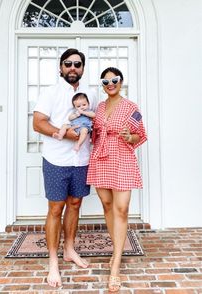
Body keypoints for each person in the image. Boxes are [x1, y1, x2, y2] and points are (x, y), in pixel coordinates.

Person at [33, 48, 96, 288]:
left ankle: (69, 250)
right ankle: (53, 261)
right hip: (56, 159)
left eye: (77, 64)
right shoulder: (49, 93)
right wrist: (71, 135)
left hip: (81, 160)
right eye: (67, 63)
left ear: (82, 68)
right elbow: (38, 123)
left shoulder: (91, 94)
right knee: (55, 208)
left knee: (75, 204)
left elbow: (95, 124)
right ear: (60, 67)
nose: (72, 68)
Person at [87, 67, 147, 292]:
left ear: (121, 82)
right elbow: (92, 130)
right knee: (107, 205)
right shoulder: (100, 107)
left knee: (121, 209)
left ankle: (116, 266)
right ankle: (116, 250)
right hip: (101, 157)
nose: (110, 83)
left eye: (114, 79)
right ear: (102, 84)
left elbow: (140, 134)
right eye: (105, 80)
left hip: (122, 156)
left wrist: (128, 136)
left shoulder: (132, 108)